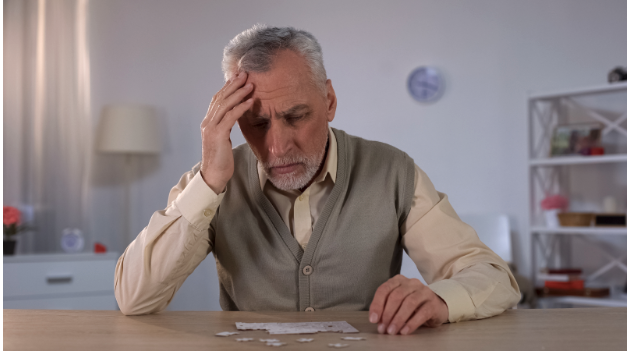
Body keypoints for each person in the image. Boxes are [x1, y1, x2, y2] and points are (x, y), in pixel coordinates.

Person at [114, 24, 520, 336]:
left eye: (296, 116)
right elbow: (134, 298)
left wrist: (438, 298)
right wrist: (209, 182)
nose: (276, 147)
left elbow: (493, 277)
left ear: (329, 101)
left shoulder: (392, 170)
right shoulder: (211, 182)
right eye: (256, 124)